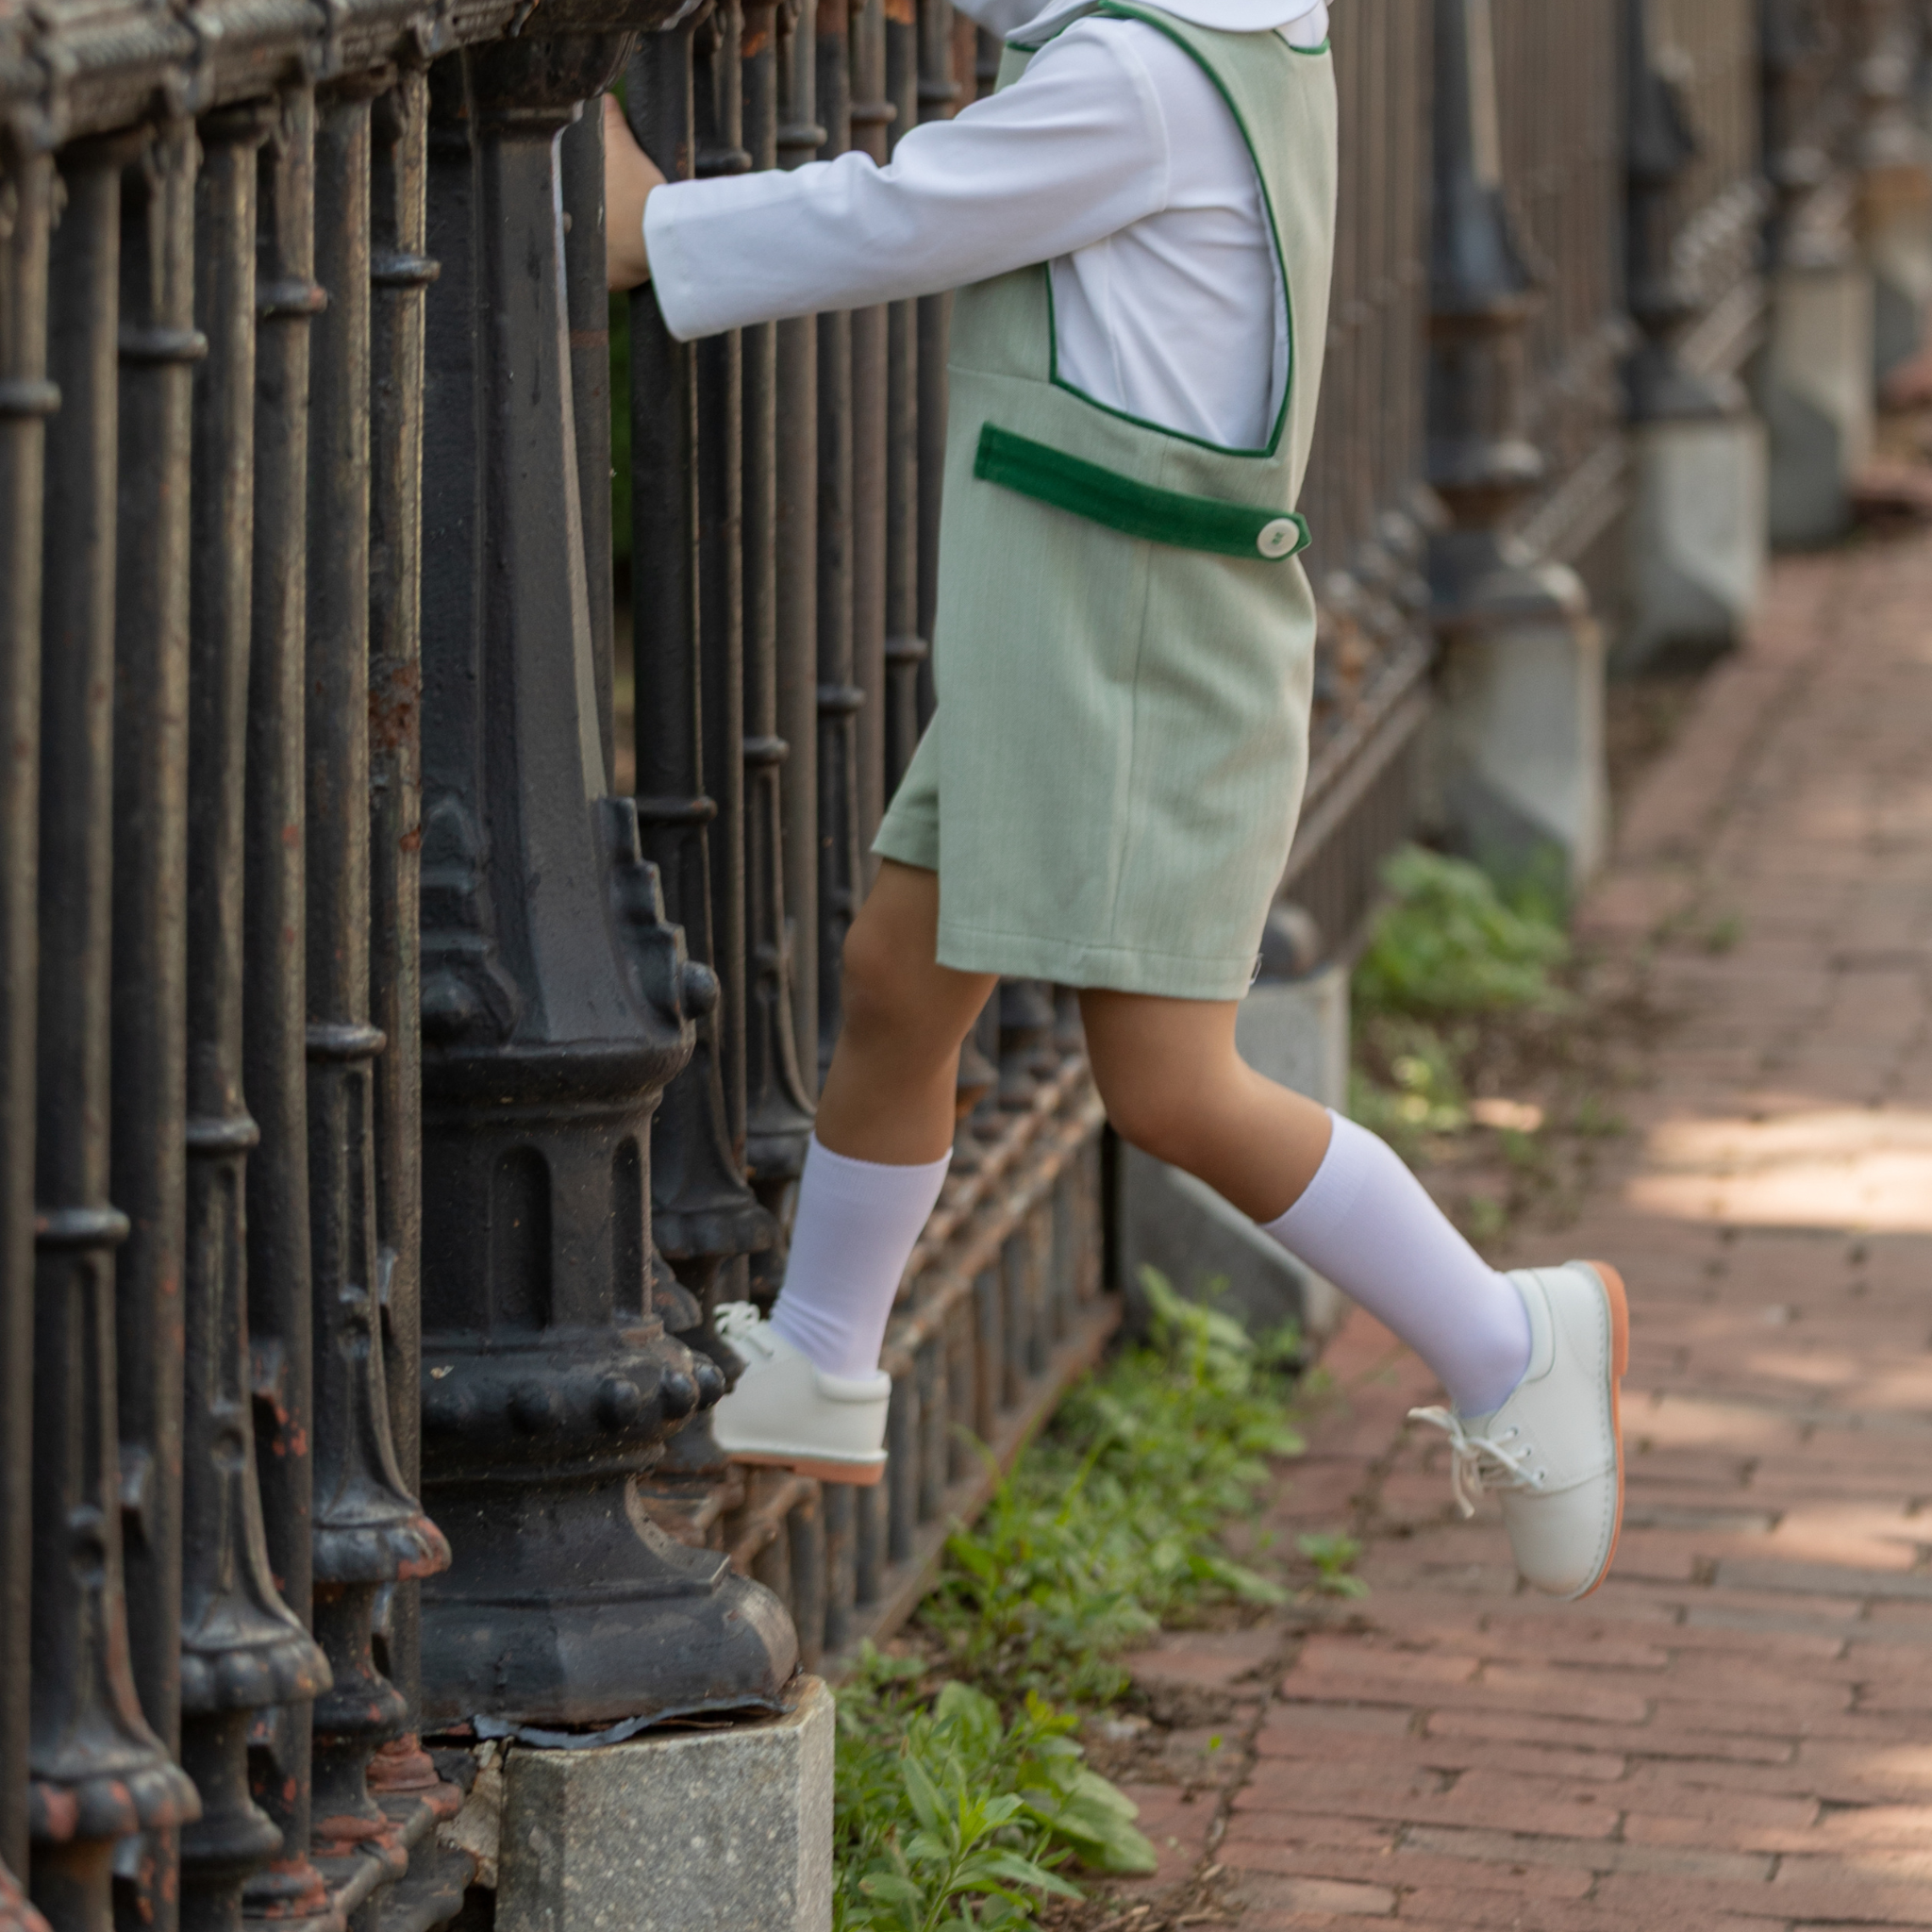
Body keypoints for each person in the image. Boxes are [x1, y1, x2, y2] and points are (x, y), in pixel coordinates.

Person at [602, 0, 1627, 1600]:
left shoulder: (1135, 83)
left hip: (1141, 649)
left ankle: (1511, 1336)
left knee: (1168, 1081)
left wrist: (651, 228)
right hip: (1072, 635)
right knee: (898, 978)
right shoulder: (1194, 34)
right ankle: (819, 1358)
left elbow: (901, 212)